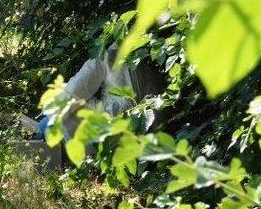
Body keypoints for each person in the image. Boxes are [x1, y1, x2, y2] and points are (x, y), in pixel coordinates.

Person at [36, 43, 165, 141]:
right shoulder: (142, 54)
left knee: (67, 114)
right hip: (151, 128)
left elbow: (75, 89)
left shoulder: (107, 52)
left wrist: (50, 117)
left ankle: (86, 163)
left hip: (119, 121)